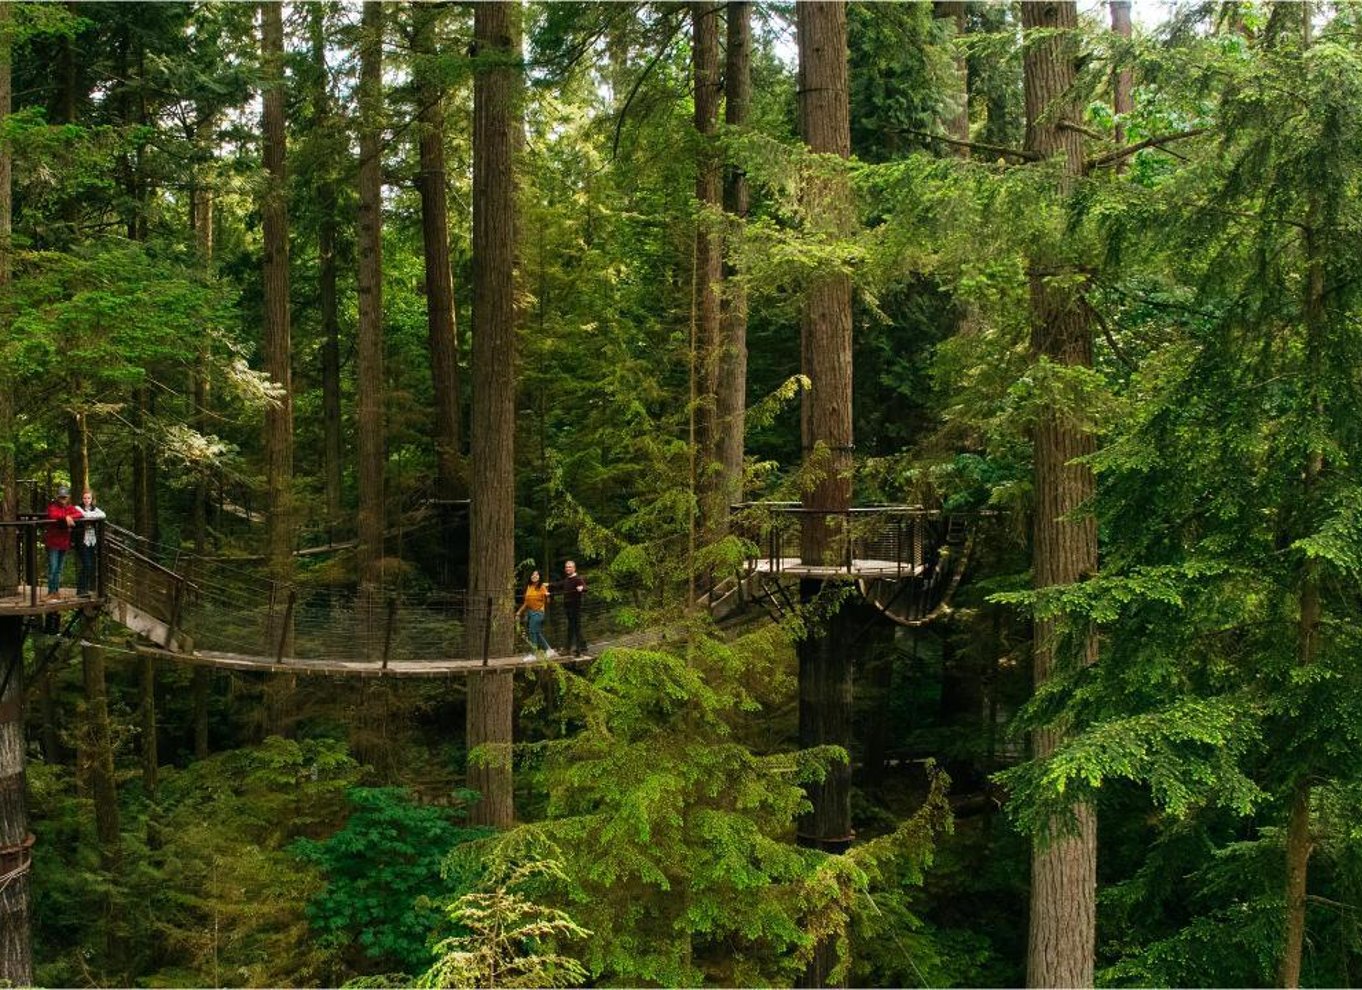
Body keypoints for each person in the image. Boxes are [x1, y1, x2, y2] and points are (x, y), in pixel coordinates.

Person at [43, 485, 82, 600]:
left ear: (68, 497)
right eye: (61, 497)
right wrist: (66, 518)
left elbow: (80, 514)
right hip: (53, 543)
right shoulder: (53, 507)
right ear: (57, 497)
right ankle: (51, 591)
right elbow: (53, 515)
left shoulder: (70, 508)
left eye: (64, 497)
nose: (63, 499)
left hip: (64, 543)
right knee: (53, 568)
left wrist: (69, 516)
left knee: (59, 569)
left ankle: (56, 591)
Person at [515, 570, 555, 660]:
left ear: (540, 577)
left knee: (532, 632)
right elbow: (526, 602)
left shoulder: (542, 587)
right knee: (536, 632)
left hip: (538, 612)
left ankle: (533, 654)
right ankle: (549, 650)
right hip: (530, 613)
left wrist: (548, 596)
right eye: (533, 574)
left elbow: (547, 602)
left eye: (537, 574)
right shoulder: (529, 587)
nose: (534, 576)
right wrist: (519, 612)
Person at [75, 489, 106, 598]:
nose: (86, 500)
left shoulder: (94, 509)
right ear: (82, 499)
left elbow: (103, 515)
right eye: (85, 498)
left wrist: (90, 514)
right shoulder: (77, 508)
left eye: (89, 498)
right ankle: (81, 589)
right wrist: (92, 515)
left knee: (90, 565)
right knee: (87, 564)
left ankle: (85, 589)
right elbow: (83, 515)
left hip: (92, 541)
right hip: (82, 541)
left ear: (92, 499)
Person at [556, 559, 588, 657]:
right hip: (568, 607)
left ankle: (578, 649)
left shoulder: (577, 578)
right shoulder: (567, 579)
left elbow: (585, 587)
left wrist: (582, 588)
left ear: (574, 568)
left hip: (575, 606)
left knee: (575, 627)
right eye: (566, 567)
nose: (567, 568)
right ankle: (580, 648)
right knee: (572, 627)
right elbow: (558, 585)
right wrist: (547, 585)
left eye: (569, 567)